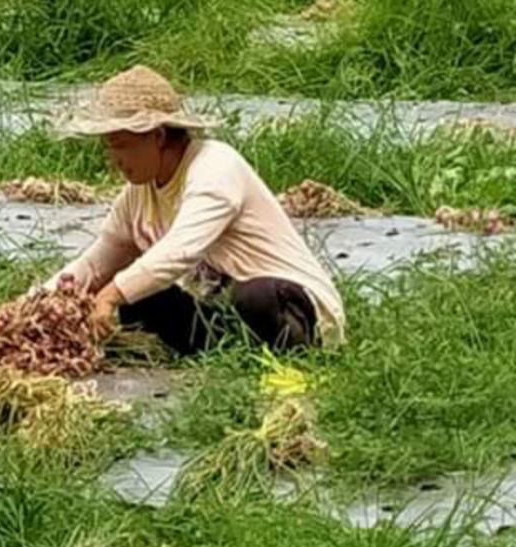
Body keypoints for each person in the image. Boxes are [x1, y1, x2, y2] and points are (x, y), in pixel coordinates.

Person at [30, 65, 345, 354]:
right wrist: (33, 307)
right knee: (142, 299)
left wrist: (111, 294)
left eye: (120, 145)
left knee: (256, 296)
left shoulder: (215, 167)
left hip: (291, 308)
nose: (113, 160)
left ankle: (295, 352)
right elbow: (95, 264)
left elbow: (179, 251)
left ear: (157, 135)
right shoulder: (137, 195)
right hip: (220, 311)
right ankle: (232, 354)